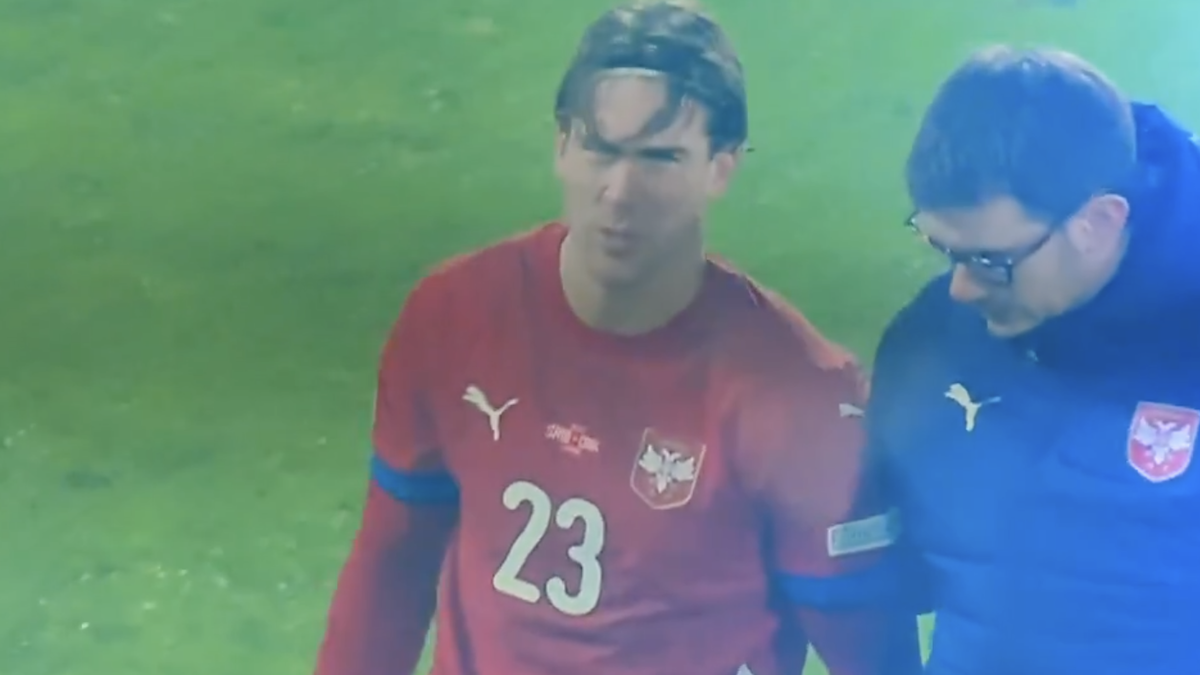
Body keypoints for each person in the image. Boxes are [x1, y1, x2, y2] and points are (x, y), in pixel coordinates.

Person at [314, 2, 922, 675]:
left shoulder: (797, 396)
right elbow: (392, 562)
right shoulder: (453, 317)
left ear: (721, 166)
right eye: (601, 149)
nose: (620, 191)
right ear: (562, 144)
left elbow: (870, 650)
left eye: (660, 158)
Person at [872, 45, 1200, 675]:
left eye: (990, 261)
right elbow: (887, 564)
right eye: (944, 250)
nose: (961, 288)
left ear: (1099, 222)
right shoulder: (930, 341)